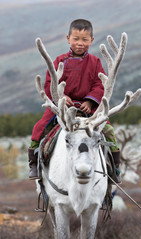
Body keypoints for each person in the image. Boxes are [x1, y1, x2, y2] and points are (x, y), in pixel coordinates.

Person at [28, 19, 121, 183]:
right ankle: (34, 162)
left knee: (108, 130)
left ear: (92, 40)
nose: (80, 43)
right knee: (40, 126)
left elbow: (100, 84)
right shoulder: (59, 61)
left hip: (88, 110)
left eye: (85, 40)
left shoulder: (95, 62)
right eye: (76, 39)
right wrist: (61, 97)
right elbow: (50, 83)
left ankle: (115, 167)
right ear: (68, 38)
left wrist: (91, 102)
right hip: (62, 108)